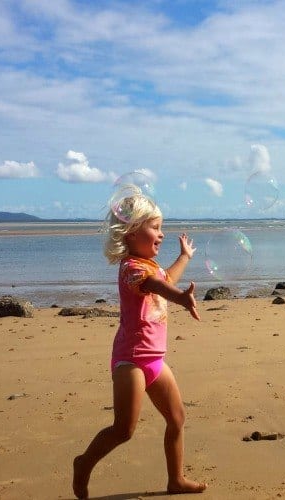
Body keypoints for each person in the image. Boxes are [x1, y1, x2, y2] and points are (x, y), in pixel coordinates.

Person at [73, 189, 207, 498]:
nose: (161, 235)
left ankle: (176, 479)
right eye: (155, 228)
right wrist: (182, 299)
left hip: (155, 360)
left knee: (177, 418)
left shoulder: (151, 264)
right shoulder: (132, 268)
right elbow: (156, 285)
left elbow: (166, 280)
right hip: (131, 360)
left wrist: (184, 257)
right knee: (124, 430)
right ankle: (84, 463)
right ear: (132, 232)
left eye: (162, 228)